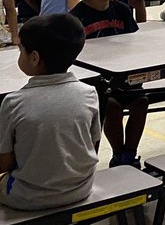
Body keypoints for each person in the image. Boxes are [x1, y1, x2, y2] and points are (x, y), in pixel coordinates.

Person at [0, 14, 101, 211]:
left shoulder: (13, 102)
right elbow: (93, 144)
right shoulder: (89, 93)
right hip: (81, 188)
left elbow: (4, 162)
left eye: (21, 50)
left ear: (35, 57)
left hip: (28, 197)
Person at [69, 0, 145, 167]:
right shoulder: (75, 19)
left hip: (124, 75)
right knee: (110, 106)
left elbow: (134, 42)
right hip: (93, 83)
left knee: (141, 101)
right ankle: (116, 154)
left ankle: (129, 156)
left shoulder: (121, 10)